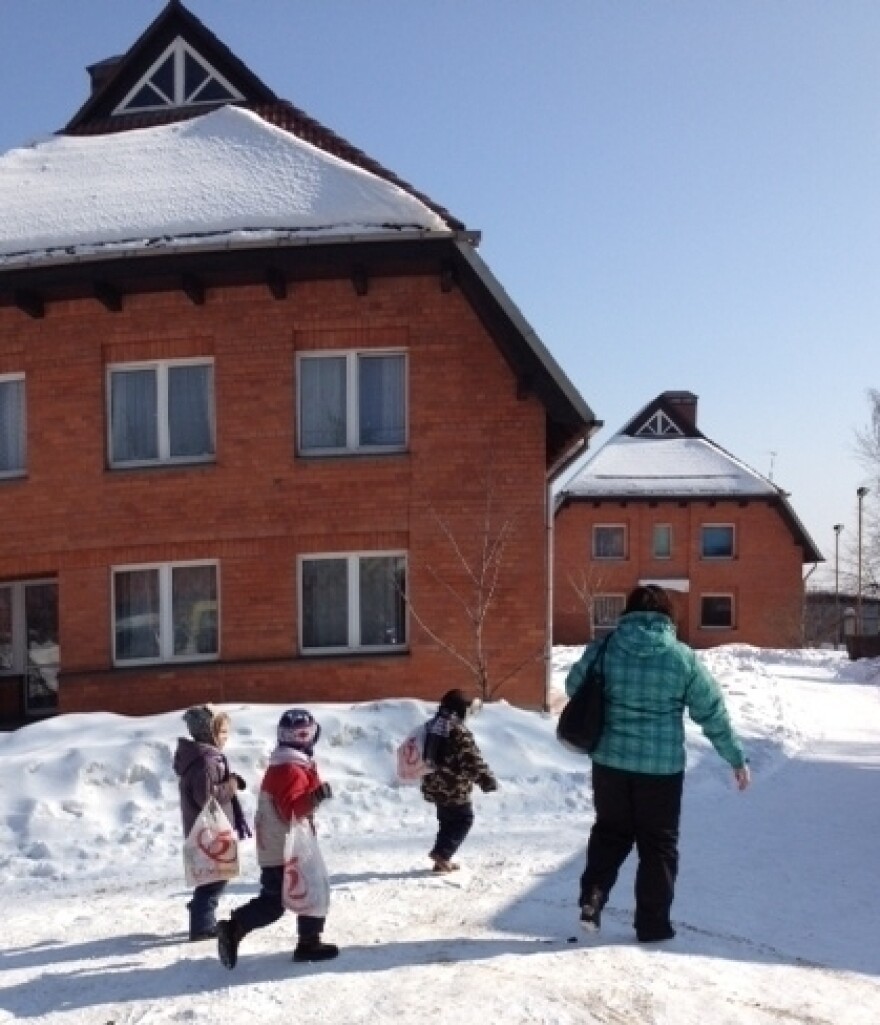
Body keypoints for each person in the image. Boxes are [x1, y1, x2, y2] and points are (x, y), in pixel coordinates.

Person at [565, 584, 750, 943]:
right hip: (661, 770)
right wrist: (735, 757)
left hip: (610, 762)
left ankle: (593, 896)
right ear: (668, 616)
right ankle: (652, 926)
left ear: (628, 611)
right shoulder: (682, 658)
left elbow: (574, 686)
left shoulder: (605, 647)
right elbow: (711, 711)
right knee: (658, 844)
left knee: (610, 832)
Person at [216, 708, 338, 968]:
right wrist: (315, 797)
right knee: (283, 899)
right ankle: (236, 927)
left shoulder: (287, 763)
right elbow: (291, 809)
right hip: (283, 849)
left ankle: (308, 941)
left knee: (308, 890)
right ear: (304, 738)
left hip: (282, 845)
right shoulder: (290, 769)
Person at [173, 704, 250, 941]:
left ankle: (200, 907)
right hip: (208, 829)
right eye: (223, 732)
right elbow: (207, 797)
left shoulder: (208, 758)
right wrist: (232, 785)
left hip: (210, 827)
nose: (226, 737)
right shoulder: (205, 762)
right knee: (217, 876)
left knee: (214, 874)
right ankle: (201, 922)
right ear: (210, 733)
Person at [420, 688, 498, 873]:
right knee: (464, 819)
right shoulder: (457, 731)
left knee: (447, 823)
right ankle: (442, 854)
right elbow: (471, 760)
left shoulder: (432, 726)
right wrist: (486, 780)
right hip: (453, 788)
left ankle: (441, 860)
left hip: (434, 785)